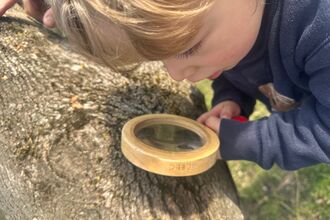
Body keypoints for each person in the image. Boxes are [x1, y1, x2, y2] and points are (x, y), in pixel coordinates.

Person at [2, 0, 330, 170]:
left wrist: (245, 140)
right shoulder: (235, 25)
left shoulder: (321, 29)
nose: (175, 74)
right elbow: (242, 65)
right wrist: (232, 98)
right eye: (161, 58)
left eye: (188, 48)